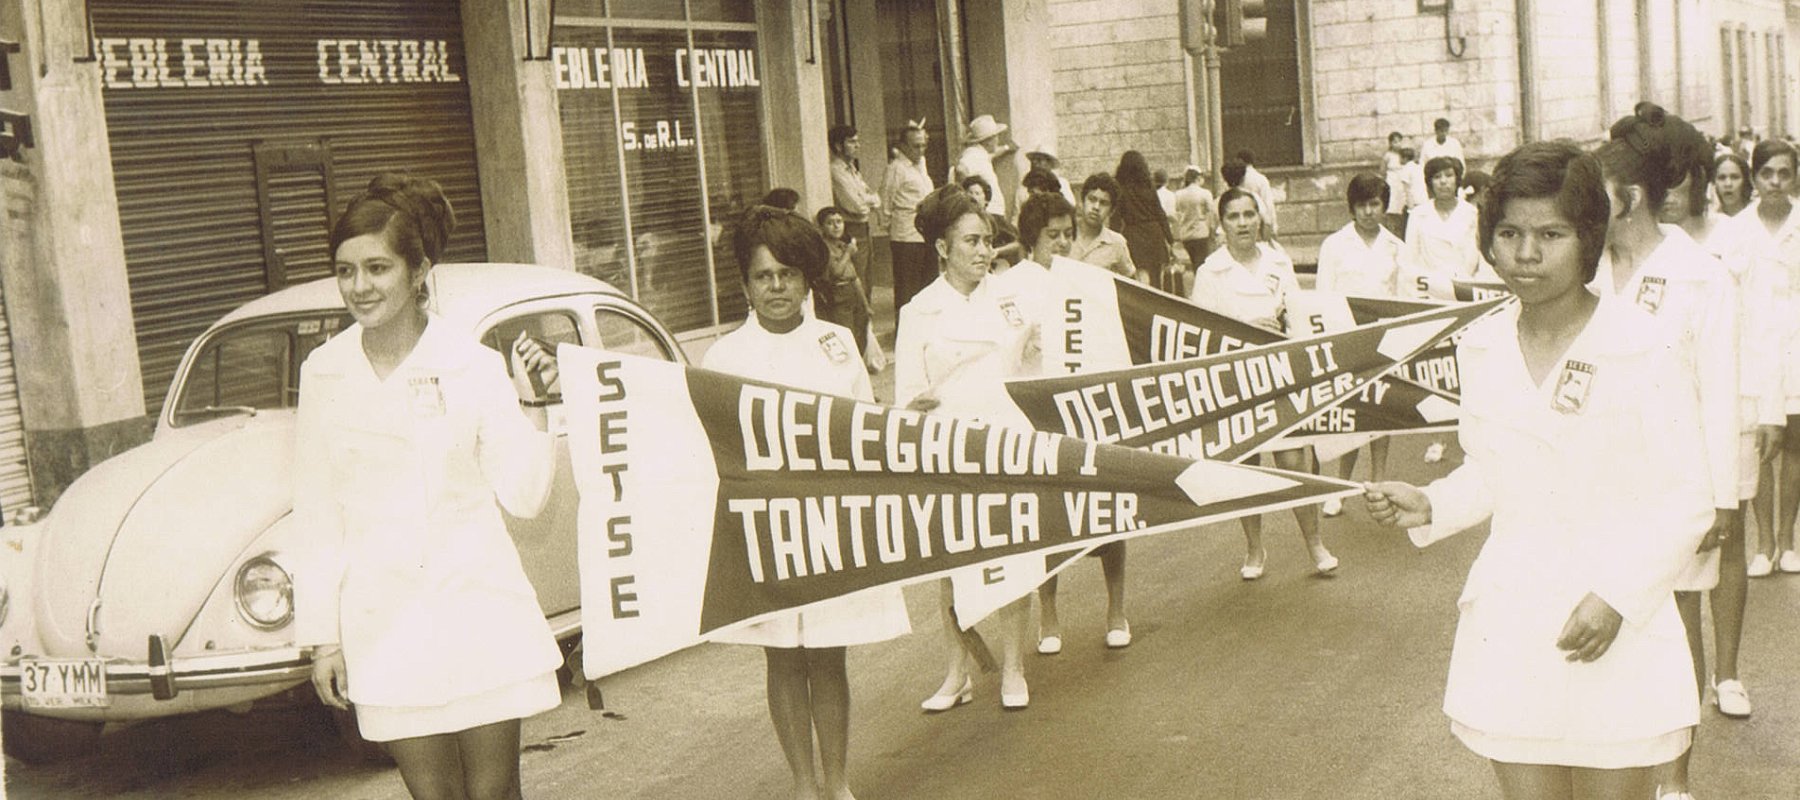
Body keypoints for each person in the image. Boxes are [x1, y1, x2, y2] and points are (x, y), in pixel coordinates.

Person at [1366, 141, 1711, 800]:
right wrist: (1432, 503)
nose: (1527, 254)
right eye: (1510, 234)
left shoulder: (1645, 345)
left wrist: (1616, 597)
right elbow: (1493, 470)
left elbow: (1688, 497)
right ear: (1490, 243)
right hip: (1517, 620)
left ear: (1589, 238)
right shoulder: (1482, 345)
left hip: (1616, 625)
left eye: (1550, 235)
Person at [296, 174, 563, 800]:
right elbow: (316, 511)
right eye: (345, 271)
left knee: (494, 795)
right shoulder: (323, 371)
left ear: (418, 271)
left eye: (377, 268)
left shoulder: (472, 364)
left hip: (478, 609)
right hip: (386, 625)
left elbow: (525, 496)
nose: (359, 287)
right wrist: (323, 639)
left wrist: (537, 403)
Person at [703, 206, 912, 800]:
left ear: (805, 280)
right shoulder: (722, 359)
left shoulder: (837, 343)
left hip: (827, 524)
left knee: (827, 653)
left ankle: (837, 782)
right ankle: (803, 785)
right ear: (745, 284)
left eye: (788, 275)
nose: (777, 288)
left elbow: (864, 431)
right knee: (783, 656)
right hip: (766, 528)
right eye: (764, 276)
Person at [897, 185, 1034, 712]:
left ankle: (1013, 667)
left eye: (987, 240)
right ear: (942, 247)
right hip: (948, 451)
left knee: (1012, 555)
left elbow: (1037, 366)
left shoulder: (1011, 299)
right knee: (953, 567)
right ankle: (957, 673)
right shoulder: (919, 311)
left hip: (1005, 444)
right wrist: (918, 415)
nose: (983, 251)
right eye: (971, 242)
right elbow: (909, 395)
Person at [1006, 192, 1130, 652]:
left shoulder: (1083, 281)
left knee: (1107, 511)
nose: (1060, 243)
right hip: (1034, 417)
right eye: (1051, 235)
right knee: (1045, 519)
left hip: (1082, 412)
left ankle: (1116, 610)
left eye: (1067, 235)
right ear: (1031, 240)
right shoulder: (1011, 287)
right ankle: (1049, 615)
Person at [1191, 188, 1337, 579]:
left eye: (1249, 214)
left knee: (1293, 462)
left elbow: (1300, 311)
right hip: (1237, 381)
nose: (1243, 223)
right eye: (1234, 216)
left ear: (1260, 218)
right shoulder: (1211, 272)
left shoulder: (1278, 261)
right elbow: (1201, 333)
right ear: (1221, 225)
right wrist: (1245, 331)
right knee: (1247, 470)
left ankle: (1315, 543)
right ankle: (1255, 548)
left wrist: (1285, 323)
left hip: (1279, 375)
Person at [1314, 173, 1405, 511]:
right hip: (1347, 343)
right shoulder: (1334, 245)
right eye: (1362, 205)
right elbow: (1323, 295)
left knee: (1381, 415)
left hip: (1385, 343)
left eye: (1375, 204)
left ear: (1384, 206)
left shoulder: (1396, 247)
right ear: (1352, 208)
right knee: (1349, 417)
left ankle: (1378, 485)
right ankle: (1340, 488)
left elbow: (1403, 298)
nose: (1368, 212)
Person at [1738, 139, 1800, 577]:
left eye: (1784, 173)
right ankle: (1762, 546)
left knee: (1795, 446)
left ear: (1794, 176)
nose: (1775, 182)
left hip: (1797, 348)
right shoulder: (1737, 230)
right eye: (1767, 174)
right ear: (1754, 177)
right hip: (1753, 349)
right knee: (1760, 447)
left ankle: (1788, 542)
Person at [1402, 155, 1481, 301]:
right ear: (1430, 183)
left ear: (1457, 180)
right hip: (1430, 292)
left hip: (1464, 291)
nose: (1443, 181)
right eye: (1437, 177)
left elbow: (1477, 258)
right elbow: (1410, 259)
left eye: (1449, 175)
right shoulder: (1418, 215)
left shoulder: (1471, 214)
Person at [882, 119, 937, 311]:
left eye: (923, 145)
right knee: (907, 290)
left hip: (926, 235)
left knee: (929, 287)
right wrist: (891, 227)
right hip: (906, 236)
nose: (921, 150)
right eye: (916, 146)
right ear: (903, 146)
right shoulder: (896, 168)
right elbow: (885, 201)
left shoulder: (921, 165)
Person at [1110, 150, 1177, 290]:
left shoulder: (1120, 189)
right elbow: (1160, 213)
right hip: (1155, 233)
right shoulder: (1149, 186)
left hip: (1134, 235)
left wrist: (1112, 238)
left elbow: (1116, 218)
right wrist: (1170, 239)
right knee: (1157, 276)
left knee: (1141, 276)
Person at [814, 206, 874, 359]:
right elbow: (836, 273)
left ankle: (858, 364)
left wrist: (865, 305)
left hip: (853, 293)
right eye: (830, 223)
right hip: (838, 296)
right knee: (846, 336)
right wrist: (848, 253)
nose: (836, 226)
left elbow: (854, 277)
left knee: (860, 334)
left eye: (839, 222)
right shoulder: (824, 248)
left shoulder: (842, 245)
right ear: (821, 227)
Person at [828, 125, 882, 293]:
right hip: (850, 228)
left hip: (863, 228)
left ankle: (866, 310)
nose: (857, 146)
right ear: (838, 146)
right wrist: (869, 201)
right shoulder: (836, 171)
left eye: (857, 141)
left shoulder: (851, 169)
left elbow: (875, 198)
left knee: (867, 277)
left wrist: (869, 200)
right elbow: (857, 206)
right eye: (852, 142)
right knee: (857, 278)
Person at [1068, 172, 1137, 278]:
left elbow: (1130, 280)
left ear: (1111, 211)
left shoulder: (1117, 243)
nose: (1096, 207)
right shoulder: (1063, 234)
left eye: (1103, 203)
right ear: (1082, 202)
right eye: (1092, 199)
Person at [955, 114, 1013, 217]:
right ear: (988, 141)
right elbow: (961, 170)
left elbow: (993, 154)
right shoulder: (973, 155)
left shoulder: (981, 154)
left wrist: (1006, 148)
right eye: (995, 137)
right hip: (987, 213)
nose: (997, 140)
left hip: (992, 212)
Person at [960, 174, 1021, 266]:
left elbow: (1018, 243)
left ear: (986, 201)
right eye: (970, 192)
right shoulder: (959, 223)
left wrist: (997, 251)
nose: (973, 197)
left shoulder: (995, 220)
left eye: (977, 193)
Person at [1171, 165, 1219, 270]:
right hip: (1201, 232)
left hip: (1186, 234)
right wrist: (1213, 229)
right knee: (1202, 264)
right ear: (1198, 178)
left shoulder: (1178, 194)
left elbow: (1176, 212)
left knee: (1195, 262)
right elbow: (1212, 212)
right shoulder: (1205, 193)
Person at [1235, 149, 1280, 237]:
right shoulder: (1260, 179)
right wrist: (1273, 225)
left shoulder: (1237, 178)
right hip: (1259, 220)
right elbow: (1268, 203)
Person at [1384, 131, 1410, 235]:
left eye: (1399, 141)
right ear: (1390, 143)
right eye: (1395, 142)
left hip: (1402, 180)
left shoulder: (1403, 155)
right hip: (1392, 180)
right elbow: (1382, 170)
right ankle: (1392, 227)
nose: (1397, 144)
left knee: (1402, 202)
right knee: (1392, 203)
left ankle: (1403, 227)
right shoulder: (1388, 156)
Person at [1712, 152, 1753, 218]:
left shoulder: (1755, 217)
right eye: (1722, 178)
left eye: (1734, 177)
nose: (1728, 184)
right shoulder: (1710, 219)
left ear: (1745, 181)